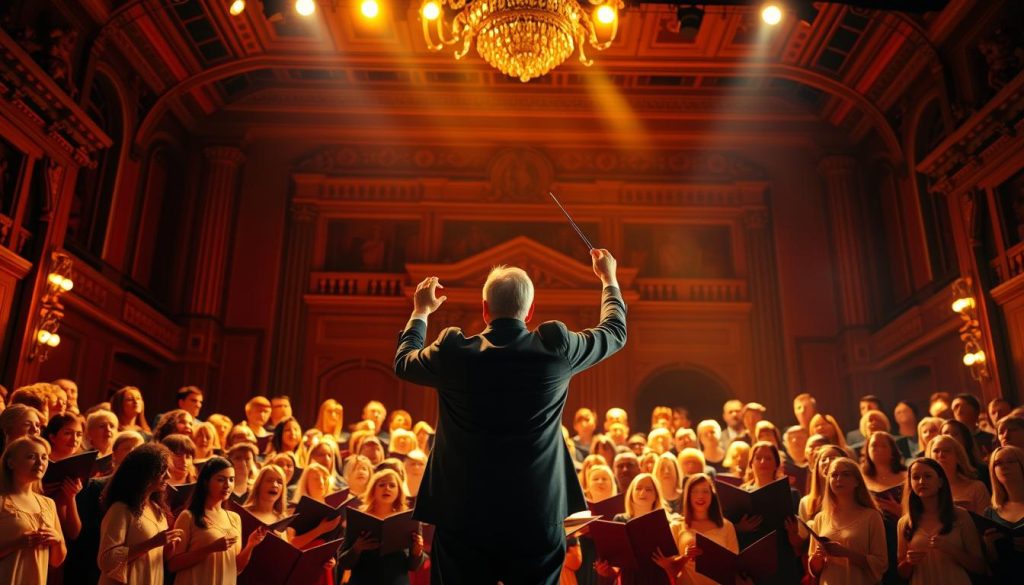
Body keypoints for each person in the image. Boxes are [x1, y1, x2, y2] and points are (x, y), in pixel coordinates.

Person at [394, 249, 626, 584]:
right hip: (536, 513)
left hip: (464, 514)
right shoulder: (555, 348)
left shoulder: (454, 352)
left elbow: (404, 362)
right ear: (530, 311)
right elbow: (615, 332)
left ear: (485, 309)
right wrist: (609, 280)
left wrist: (421, 312)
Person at [167, 457, 266, 584]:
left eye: (231, 480)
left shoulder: (235, 518)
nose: (227, 485)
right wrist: (210, 548)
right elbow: (173, 564)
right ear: (206, 482)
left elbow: (236, 568)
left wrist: (251, 545)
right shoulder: (188, 516)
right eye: (221, 480)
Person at [97, 443, 182, 584]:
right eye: (162, 470)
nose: (168, 476)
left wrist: (168, 546)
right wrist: (152, 543)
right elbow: (106, 561)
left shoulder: (157, 509)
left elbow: (155, 557)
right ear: (145, 473)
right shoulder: (121, 509)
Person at [896, 457, 987, 584]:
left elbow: (980, 566)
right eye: (916, 477)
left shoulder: (960, 515)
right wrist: (908, 562)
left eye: (928, 476)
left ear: (940, 482)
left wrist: (951, 549)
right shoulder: (904, 523)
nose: (921, 481)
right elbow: (902, 574)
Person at [338, 468, 426, 584]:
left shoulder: (409, 519)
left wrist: (417, 552)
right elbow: (344, 562)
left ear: (398, 491)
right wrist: (357, 548)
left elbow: (413, 567)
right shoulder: (359, 518)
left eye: (392, 485)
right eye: (382, 485)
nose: (387, 488)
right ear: (373, 490)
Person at [808, 457, 887, 585]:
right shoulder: (820, 518)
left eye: (845, 474)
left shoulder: (872, 517)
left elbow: (881, 563)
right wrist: (818, 558)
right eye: (834, 475)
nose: (839, 479)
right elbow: (815, 570)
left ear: (857, 481)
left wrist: (846, 553)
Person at [595, 473, 683, 584]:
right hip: (630, 580)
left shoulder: (664, 521)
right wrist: (605, 570)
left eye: (649, 489)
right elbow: (616, 567)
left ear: (656, 495)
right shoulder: (620, 519)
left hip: (657, 578)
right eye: (638, 488)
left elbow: (675, 569)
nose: (643, 493)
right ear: (631, 493)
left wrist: (666, 564)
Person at [0, 436, 66, 584]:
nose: (40, 463)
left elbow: (56, 562)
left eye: (44, 457)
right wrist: (17, 543)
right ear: (11, 463)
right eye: (31, 457)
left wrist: (58, 541)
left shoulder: (48, 503)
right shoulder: (2, 501)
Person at [659, 473, 738, 585]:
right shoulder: (676, 526)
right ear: (688, 496)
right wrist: (685, 557)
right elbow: (670, 569)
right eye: (695, 491)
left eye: (705, 491)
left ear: (712, 495)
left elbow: (734, 567)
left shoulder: (727, 526)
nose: (700, 496)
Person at [981, 445, 1024, 581]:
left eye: (1011, 461)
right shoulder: (990, 513)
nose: (1004, 466)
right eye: (998, 463)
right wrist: (989, 545)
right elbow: (991, 562)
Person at [926, 435, 989, 513]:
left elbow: (985, 522)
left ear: (958, 457)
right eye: (936, 451)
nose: (941, 455)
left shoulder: (976, 488)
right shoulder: (924, 488)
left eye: (946, 450)